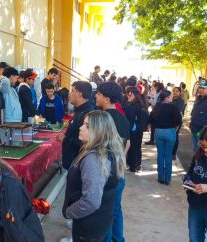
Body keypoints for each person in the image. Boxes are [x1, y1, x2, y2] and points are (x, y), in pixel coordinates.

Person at [62, 110, 126, 242]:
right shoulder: (107, 151)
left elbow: (91, 201)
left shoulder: (94, 159)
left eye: (87, 126)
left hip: (89, 226)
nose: (81, 127)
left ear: (99, 131)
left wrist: (69, 212)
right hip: (100, 220)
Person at [95, 82, 130, 242]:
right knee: (116, 210)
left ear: (106, 99)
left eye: (99, 94)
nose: (96, 96)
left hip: (106, 174)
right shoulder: (123, 118)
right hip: (119, 172)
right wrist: (119, 161)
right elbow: (127, 143)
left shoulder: (103, 119)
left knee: (105, 214)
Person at [184, 125, 207, 242]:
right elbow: (188, 175)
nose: (205, 150)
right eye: (202, 146)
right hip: (195, 206)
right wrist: (189, 184)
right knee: (194, 238)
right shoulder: (199, 155)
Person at [148, 90, 182, 185]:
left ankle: (160, 177)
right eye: (170, 96)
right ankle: (167, 179)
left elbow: (151, 119)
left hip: (158, 132)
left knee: (160, 154)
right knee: (168, 155)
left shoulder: (157, 107)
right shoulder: (173, 107)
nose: (172, 97)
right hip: (170, 132)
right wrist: (174, 129)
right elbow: (178, 120)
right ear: (166, 98)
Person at [57, 81, 93, 170]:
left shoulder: (88, 114)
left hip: (78, 166)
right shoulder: (79, 111)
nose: (69, 94)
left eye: (72, 91)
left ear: (79, 94)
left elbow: (87, 143)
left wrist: (65, 139)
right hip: (72, 164)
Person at [190, 78, 207, 151]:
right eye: (200, 87)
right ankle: (196, 162)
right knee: (196, 150)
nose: (200, 90)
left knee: (202, 152)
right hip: (195, 131)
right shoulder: (199, 98)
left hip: (204, 133)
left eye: (203, 88)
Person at [124, 86, 147, 172]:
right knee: (136, 147)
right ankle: (136, 165)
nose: (128, 95)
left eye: (130, 94)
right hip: (136, 130)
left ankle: (134, 165)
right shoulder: (135, 104)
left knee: (134, 148)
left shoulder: (135, 105)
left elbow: (130, 117)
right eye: (127, 93)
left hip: (134, 130)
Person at [172, 87, 185, 160]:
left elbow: (178, 110)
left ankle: (174, 153)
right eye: (174, 91)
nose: (175, 92)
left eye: (177, 91)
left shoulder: (180, 101)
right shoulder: (172, 99)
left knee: (175, 136)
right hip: (170, 120)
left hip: (177, 121)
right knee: (172, 136)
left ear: (180, 92)